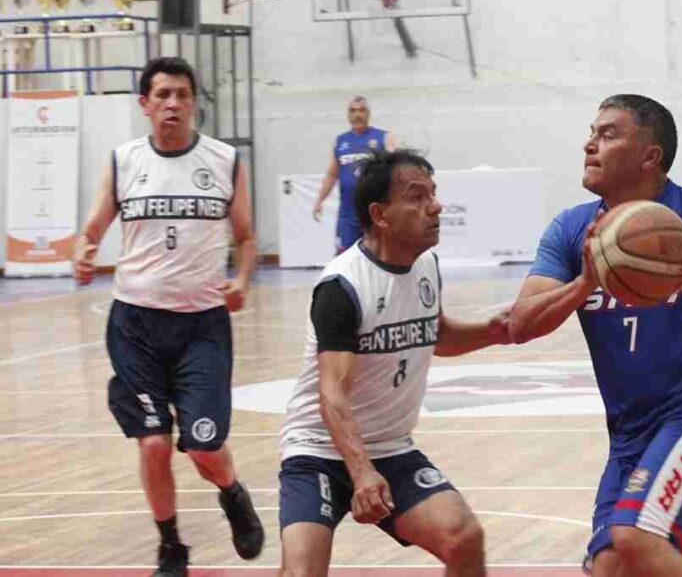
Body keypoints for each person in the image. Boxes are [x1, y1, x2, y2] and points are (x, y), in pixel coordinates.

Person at [509, 95, 682, 577]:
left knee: (635, 538)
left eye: (608, 134)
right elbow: (522, 324)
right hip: (629, 434)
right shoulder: (572, 229)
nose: (589, 144)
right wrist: (585, 283)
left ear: (649, 155)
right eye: (592, 132)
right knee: (610, 564)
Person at [278, 148, 511, 577]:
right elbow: (332, 394)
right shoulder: (341, 285)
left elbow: (434, 335)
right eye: (418, 196)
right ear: (380, 214)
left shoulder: (426, 265)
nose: (435, 206)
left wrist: (494, 331)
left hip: (390, 448)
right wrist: (362, 472)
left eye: (434, 194)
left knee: (464, 537)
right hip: (317, 450)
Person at [72, 57, 264, 576]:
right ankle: (171, 546)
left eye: (181, 94)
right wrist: (84, 251)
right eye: (162, 95)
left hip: (202, 326)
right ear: (144, 105)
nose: (173, 104)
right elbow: (92, 227)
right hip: (135, 324)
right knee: (154, 443)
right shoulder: (124, 161)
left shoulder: (224, 161)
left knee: (204, 448)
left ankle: (232, 493)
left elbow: (246, 238)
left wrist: (243, 279)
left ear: (194, 101)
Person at [312, 96, 398, 253]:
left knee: (378, 254)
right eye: (353, 111)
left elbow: (397, 169)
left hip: (375, 211)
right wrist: (319, 200)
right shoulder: (340, 141)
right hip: (348, 213)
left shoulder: (384, 137)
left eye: (361, 110)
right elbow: (332, 175)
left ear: (368, 114)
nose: (357, 114)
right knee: (345, 256)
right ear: (348, 115)